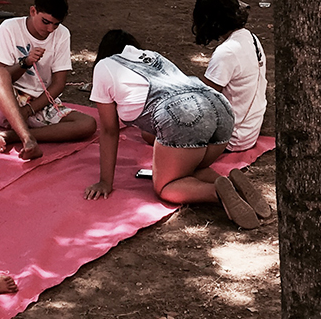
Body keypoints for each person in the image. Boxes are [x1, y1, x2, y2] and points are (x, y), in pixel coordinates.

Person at [84, 29, 269, 229]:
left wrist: (105, 182)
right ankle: (233, 186)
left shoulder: (104, 66)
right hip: (220, 109)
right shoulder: (152, 56)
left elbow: (109, 130)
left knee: (165, 186)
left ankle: (217, 193)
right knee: (189, 169)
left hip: (185, 116)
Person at [0, 0, 98, 159]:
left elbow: (59, 83)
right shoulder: (9, 27)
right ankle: (27, 139)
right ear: (33, 11)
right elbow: (3, 77)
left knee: (88, 124)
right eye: (46, 22)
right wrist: (25, 63)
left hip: (38, 104)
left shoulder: (62, 34)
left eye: (56, 24)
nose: (50, 29)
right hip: (6, 101)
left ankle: (13, 135)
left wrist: (29, 110)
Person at [194, 0, 269, 214]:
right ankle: (236, 187)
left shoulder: (225, 53)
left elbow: (204, 104)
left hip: (231, 138)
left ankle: (224, 188)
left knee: (169, 151)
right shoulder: (251, 38)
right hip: (251, 129)